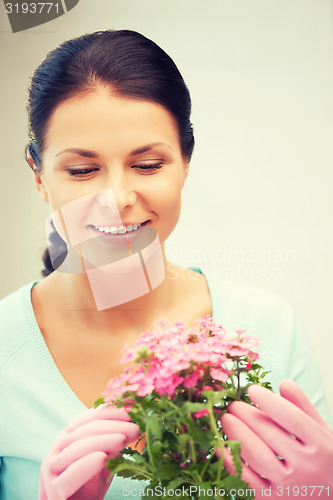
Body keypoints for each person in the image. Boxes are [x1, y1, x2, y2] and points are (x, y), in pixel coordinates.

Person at [0, 29, 331, 500]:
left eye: (149, 164)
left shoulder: (269, 329)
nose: (116, 199)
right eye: (82, 170)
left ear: (185, 163)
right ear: (38, 176)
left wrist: (319, 493)